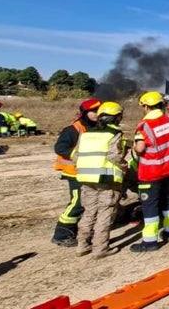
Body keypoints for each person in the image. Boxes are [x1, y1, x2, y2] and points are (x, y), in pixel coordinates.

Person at [75, 102, 128, 259]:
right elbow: (114, 156)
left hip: (85, 178)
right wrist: (124, 167)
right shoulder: (114, 134)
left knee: (89, 211)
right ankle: (100, 248)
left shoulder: (86, 133)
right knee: (105, 212)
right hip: (106, 179)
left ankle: (82, 245)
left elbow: (76, 156)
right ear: (117, 117)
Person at [130, 91, 169, 253]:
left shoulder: (144, 125)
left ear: (146, 107)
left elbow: (140, 148)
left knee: (150, 206)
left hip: (151, 171)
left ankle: (150, 241)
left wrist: (133, 147)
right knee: (168, 201)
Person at [51, 98, 101, 247]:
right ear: (85, 112)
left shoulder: (95, 127)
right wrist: (77, 156)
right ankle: (62, 234)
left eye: (98, 111)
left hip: (88, 172)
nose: (97, 114)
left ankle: (79, 229)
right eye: (93, 111)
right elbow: (60, 148)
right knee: (77, 202)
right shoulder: (73, 129)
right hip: (74, 172)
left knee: (87, 202)